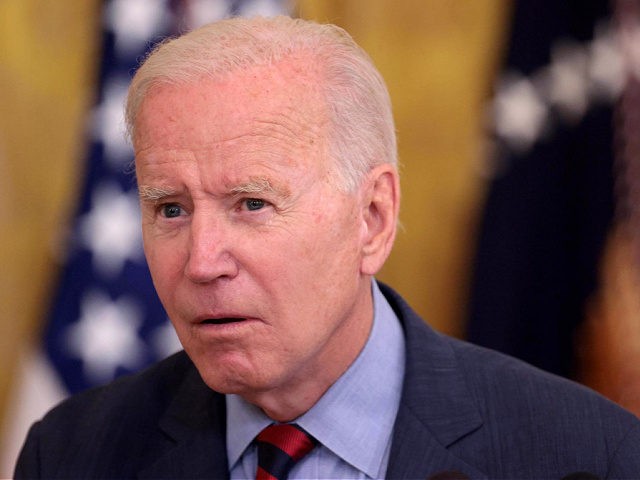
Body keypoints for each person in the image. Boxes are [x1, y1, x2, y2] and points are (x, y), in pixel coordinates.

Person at [14, 15, 640, 480]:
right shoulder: (71, 453)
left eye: (252, 204)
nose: (201, 263)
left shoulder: (588, 456)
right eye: (170, 209)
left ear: (372, 220)